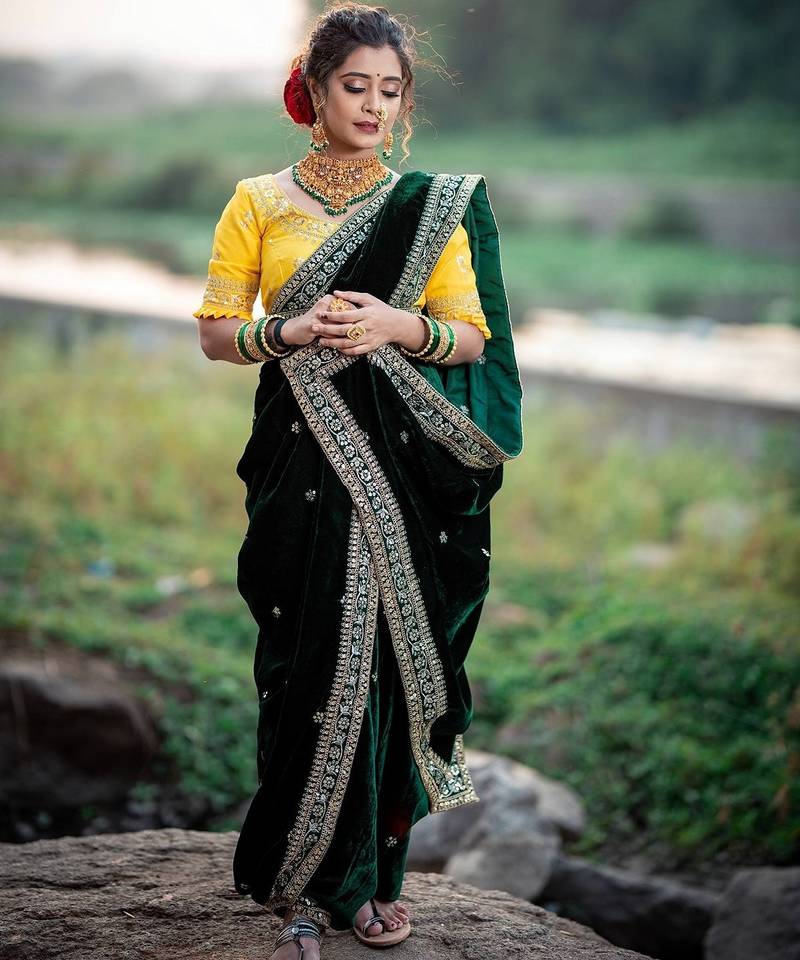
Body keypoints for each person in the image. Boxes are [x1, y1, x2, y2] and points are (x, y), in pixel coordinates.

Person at [192, 4, 523, 957]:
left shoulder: (433, 206)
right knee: (304, 661)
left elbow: (471, 337)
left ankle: (371, 880)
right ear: (314, 91)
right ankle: (300, 880)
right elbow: (217, 330)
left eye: (390, 90)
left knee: (385, 661)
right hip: (299, 461)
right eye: (355, 86)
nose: (374, 105)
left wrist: (394, 326)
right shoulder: (259, 200)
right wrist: (290, 331)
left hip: (400, 468)